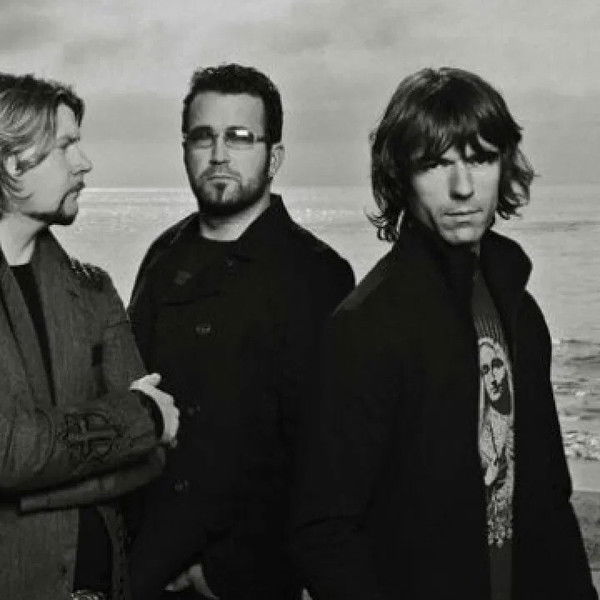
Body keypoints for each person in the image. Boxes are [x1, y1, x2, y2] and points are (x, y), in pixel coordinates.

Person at [291, 67, 598, 600]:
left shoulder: (520, 310)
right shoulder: (365, 325)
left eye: (480, 159)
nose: (462, 188)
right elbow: (322, 531)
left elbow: (549, 497)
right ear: (400, 176)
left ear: (504, 166)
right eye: (435, 164)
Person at [127, 63, 354, 600]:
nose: (219, 154)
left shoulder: (318, 275)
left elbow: (326, 455)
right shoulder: (162, 258)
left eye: (240, 137)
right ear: (185, 149)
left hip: (248, 578)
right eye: (203, 136)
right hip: (146, 566)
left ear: (274, 156)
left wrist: (228, 571)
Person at [0, 73, 179, 600]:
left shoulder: (94, 288)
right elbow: (9, 450)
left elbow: (151, 457)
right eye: (66, 145)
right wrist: (139, 417)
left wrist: (23, 492)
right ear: (13, 162)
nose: (85, 162)